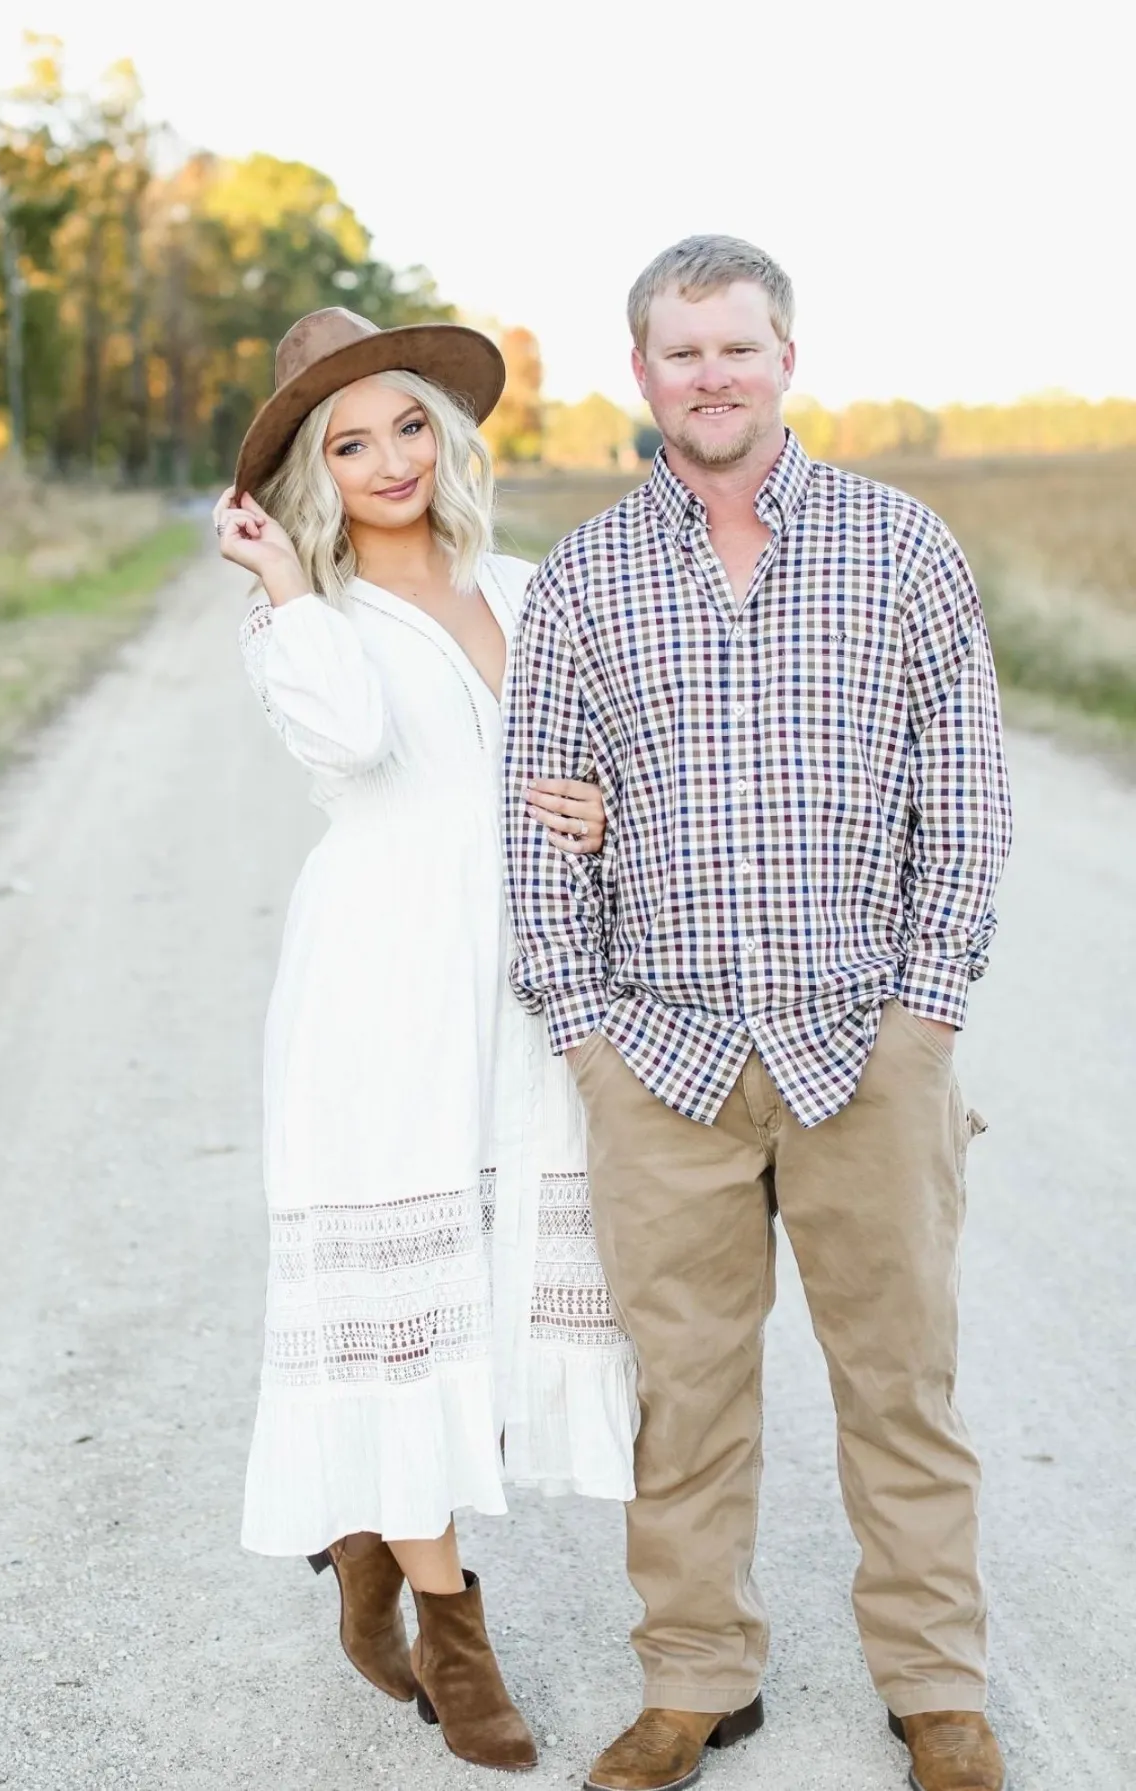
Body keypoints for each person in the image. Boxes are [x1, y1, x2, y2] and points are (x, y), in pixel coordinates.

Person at [504, 237, 1012, 1791]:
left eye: (736, 346)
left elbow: (969, 803)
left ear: (785, 356)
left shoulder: (902, 548)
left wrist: (926, 1019)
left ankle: (937, 1686)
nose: (709, 375)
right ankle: (695, 1679)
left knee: (901, 1386)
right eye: (680, 351)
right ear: (641, 373)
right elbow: (534, 828)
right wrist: (584, 1034)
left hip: (870, 1045)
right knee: (689, 1399)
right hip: (662, 1059)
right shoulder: (587, 577)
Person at [214, 306, 636, 1774]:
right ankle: (454, 1633)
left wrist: (594, 810)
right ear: (310, 477)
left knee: (494, 1293)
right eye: (347, 442)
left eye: (406, 425)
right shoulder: (302, 616)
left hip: (519, 981)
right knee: (407, 1303)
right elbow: (345, 745)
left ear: (443, 437)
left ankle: (371, 1535)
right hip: (379, 983)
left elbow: (579, 768)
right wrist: (282, 583)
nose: (388, 459)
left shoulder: (519, 581)